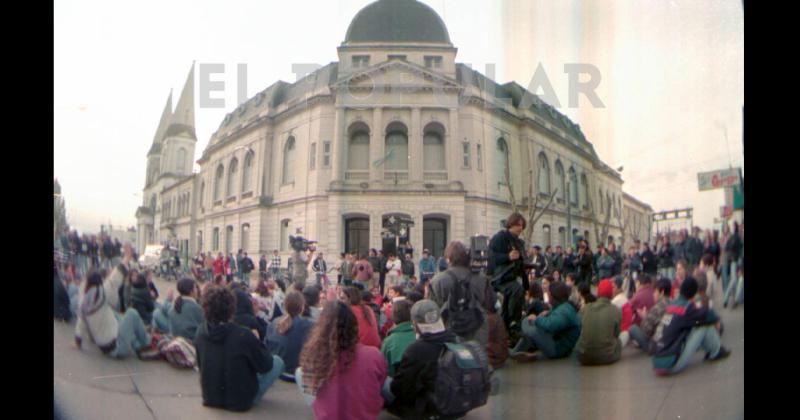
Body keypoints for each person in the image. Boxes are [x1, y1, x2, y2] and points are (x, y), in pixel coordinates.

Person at [385, 299, 482, 419]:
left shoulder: (416, 349)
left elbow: (400, 389)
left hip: (429, 410)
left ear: (415, 324)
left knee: (385, 383)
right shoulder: (456, 339)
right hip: (457, 406)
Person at [194, 285, 284, 411]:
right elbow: (266, 365)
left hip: (210, 398)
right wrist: (257, 343)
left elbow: (200, 364)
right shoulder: (243, 334)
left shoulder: (200, 332)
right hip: (240, 402)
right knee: (277, 361)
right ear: (232, 309)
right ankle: (252, 396)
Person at [295, 300, 387, 419]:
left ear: (321, 326)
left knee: (300, 372)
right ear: (353, 324)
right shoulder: (373, 354)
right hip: (364, 415)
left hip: (328, 415)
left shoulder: (314, 355)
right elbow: (380, 380)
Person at [652, 277, 731, 375]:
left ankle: (713, 350)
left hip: (657, 362)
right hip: (670, 364)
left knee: (697, 324)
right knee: (703, 326)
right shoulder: (686, 308)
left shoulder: (672, 305)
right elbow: (708, 314)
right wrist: (717, 321)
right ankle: (715, 352)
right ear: (694, 293)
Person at [429, 241, 495, 347]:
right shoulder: (481, 278)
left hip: (449, 330)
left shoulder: (437, 280)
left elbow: (432, 310)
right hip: (478, 330)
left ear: (448, 259)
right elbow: (491, 303)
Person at [74, 271, 152, 359]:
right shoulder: (101, 293)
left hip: (105, 348)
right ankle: (147, 342)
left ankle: (137, 344)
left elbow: (80, 322)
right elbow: (114, 281)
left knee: (116, 316)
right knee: (132, 313)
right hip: (117, 348)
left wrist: (78, 341)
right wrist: (125, 261)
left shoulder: (84, 303)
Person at [510, 281, 581, 361]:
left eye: (549, 293)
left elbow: (550, 325)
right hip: (559, 346)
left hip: (557, 350)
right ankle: (519, 350)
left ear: (553, 295)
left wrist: (536, 319)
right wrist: (549, 313)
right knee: (531, 328)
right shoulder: (565, 307)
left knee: (527, 322)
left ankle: (519, 349)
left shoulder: (565, 311)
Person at [488, 213, 528, 332]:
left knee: (517, 293)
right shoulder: (500, 237)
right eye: (518, 225)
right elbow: (491, 257)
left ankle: (509, 325)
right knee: (516, 290)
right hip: (499, 277)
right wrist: (507, 257)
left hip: (513, 277)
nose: (520, 228)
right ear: (511, 224)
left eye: (522, 226)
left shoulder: (519, 242)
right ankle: (512, 321)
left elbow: (522, 260)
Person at [265, 291, 313, 383]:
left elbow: (267, 348)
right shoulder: (308, 326)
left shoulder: (274, 323)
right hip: (297, 375)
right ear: (302, 307)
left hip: (278, 374)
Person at [575, 279, 622, 365]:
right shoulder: (616, 310)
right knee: (619, 341)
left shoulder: (586, 308)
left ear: (598, 293)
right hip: (606, 357)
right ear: (611, 294)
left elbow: (578, 326)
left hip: (583, 356)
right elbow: (616, 333)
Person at [628, 278, 671, 351]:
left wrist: (644, 317)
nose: (653, 294)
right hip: (669, 342)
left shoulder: (657, 307)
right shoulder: (672, 303)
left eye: (655, 292)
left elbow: (646, 331)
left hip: (656, 346)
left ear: (662, 292)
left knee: (632, 328)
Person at [380, 299, 415, 377]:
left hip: (396, 384)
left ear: (393, 315)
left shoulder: (389, 342)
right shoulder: (421, 336)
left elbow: (383, 369)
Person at [165, 278, 205, 342]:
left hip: (177, 343)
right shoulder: (196, 308)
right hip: (193, 345)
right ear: (191, 291)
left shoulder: (173, 308)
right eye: (195, 288)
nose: (197, 290)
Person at [610, 276, 633, 347]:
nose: (611, 289)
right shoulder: (623, 297)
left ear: (619, 288)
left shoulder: (617, 300)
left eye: (613, 287)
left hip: (621, 334)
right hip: (625, 333)